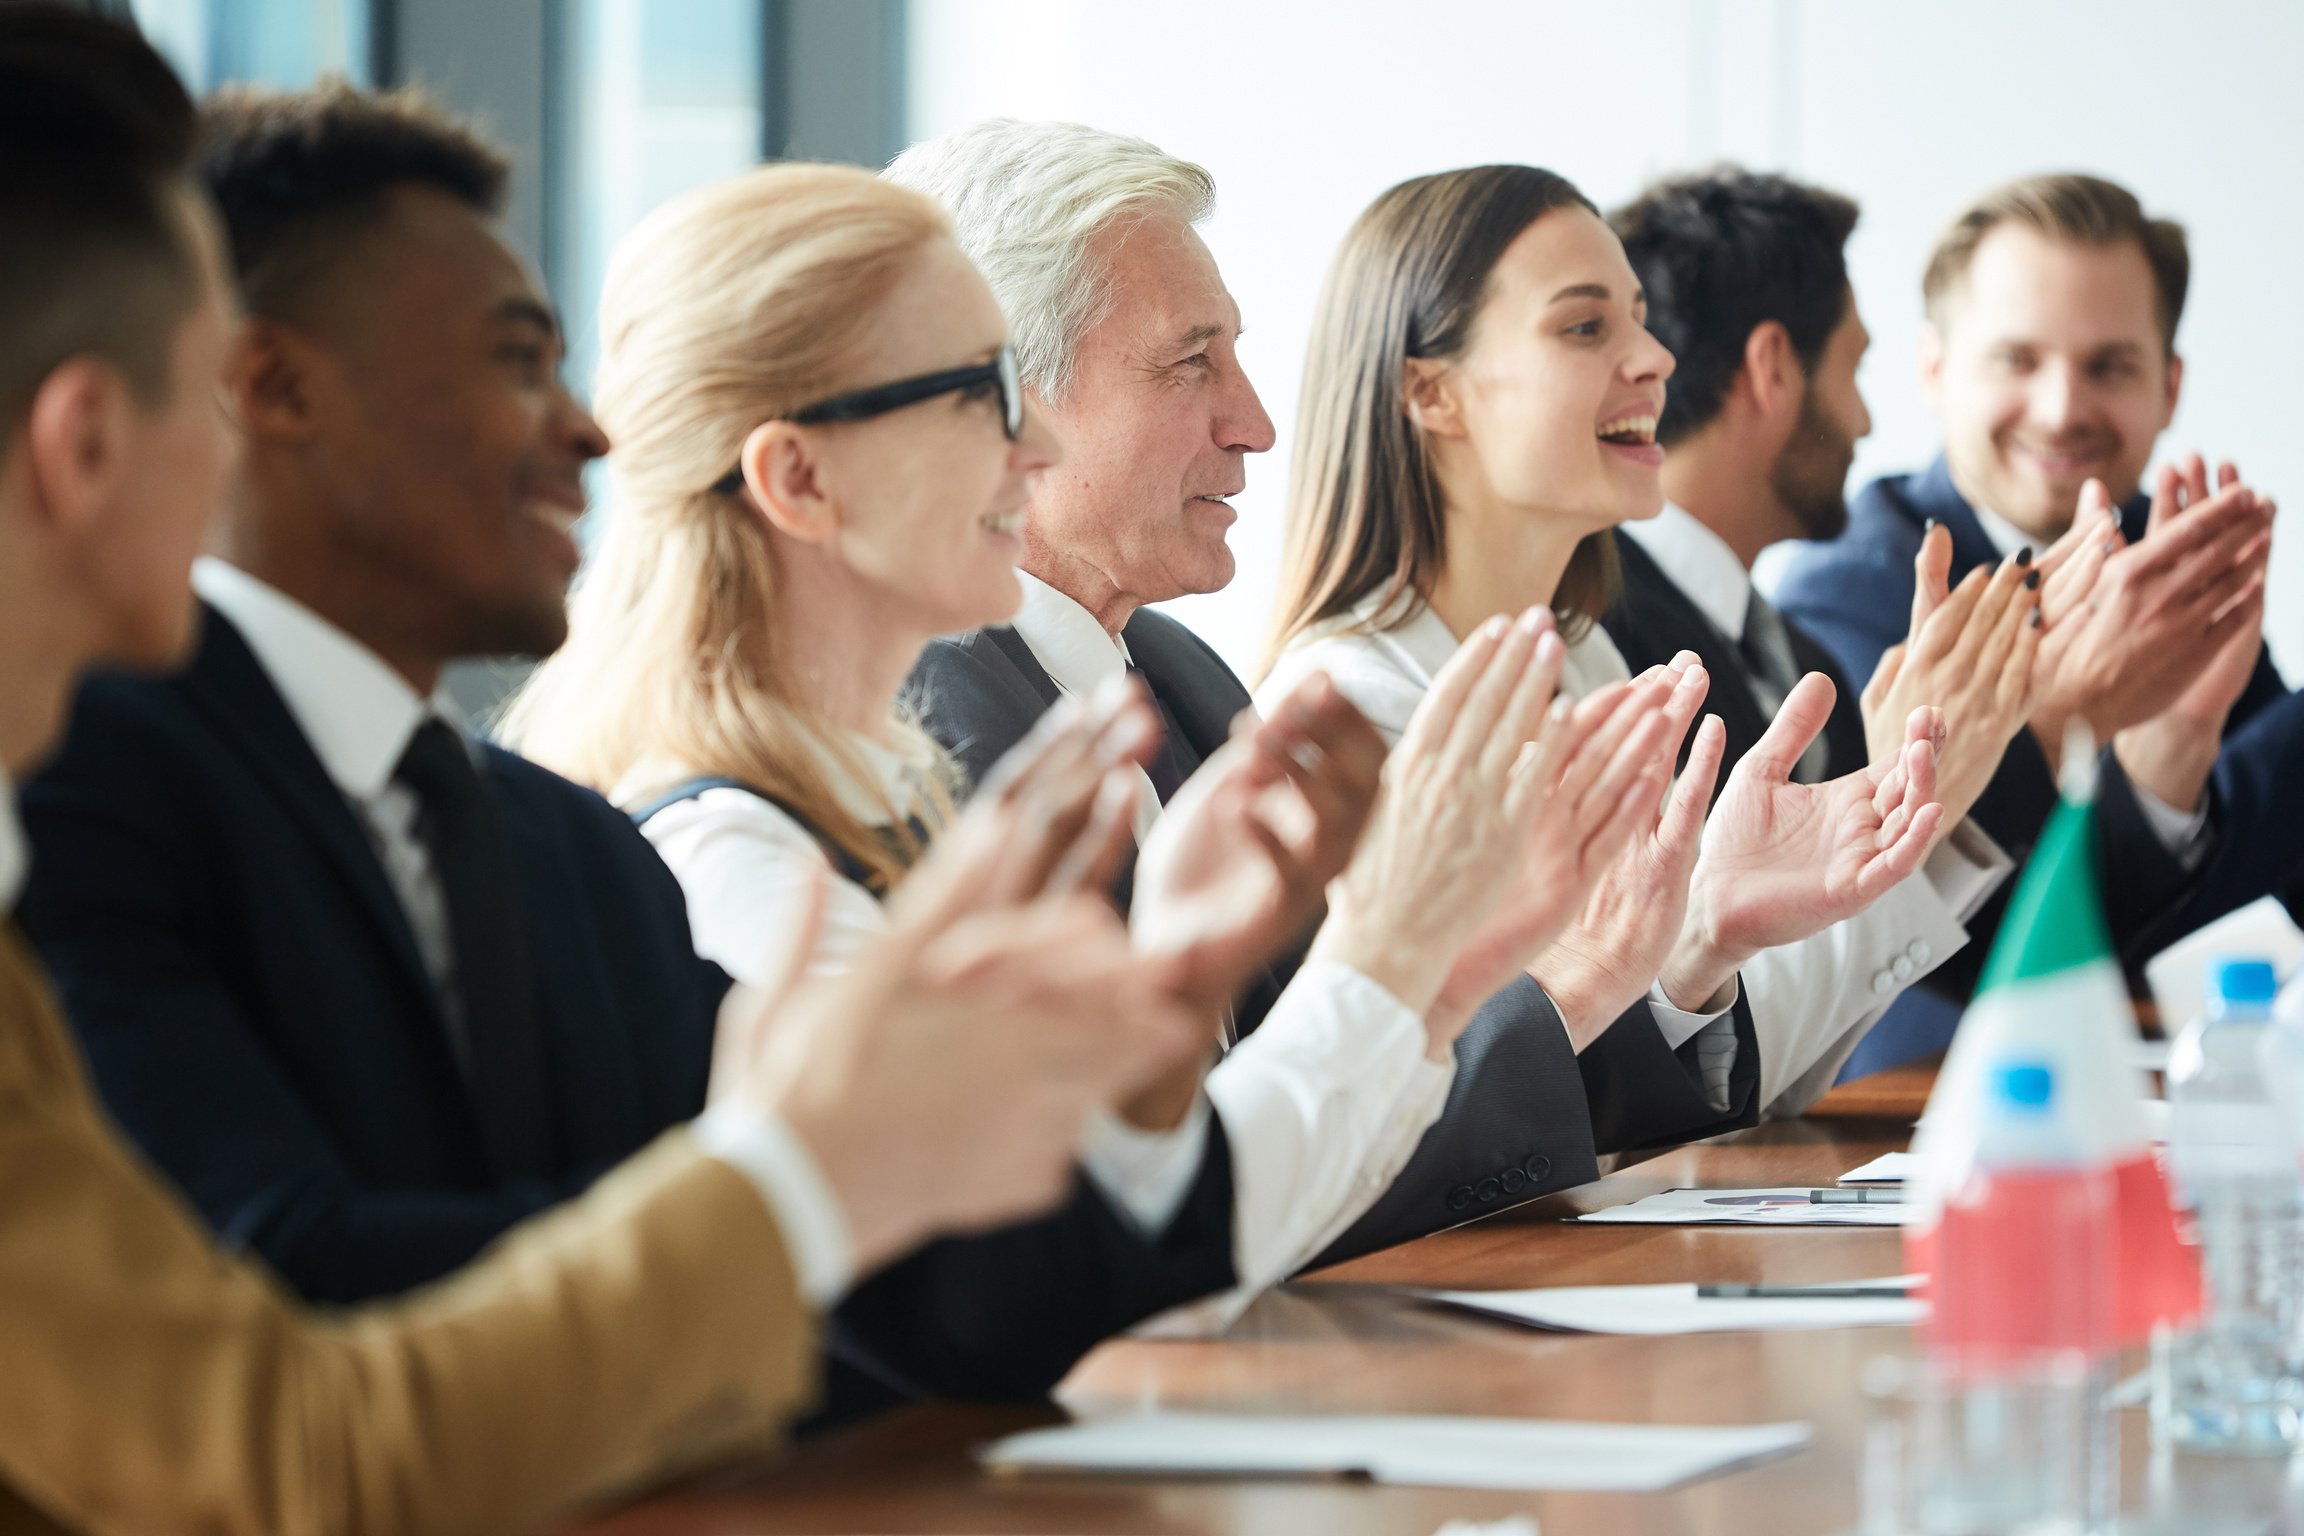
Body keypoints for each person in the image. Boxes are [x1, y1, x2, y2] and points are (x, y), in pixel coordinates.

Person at [0, 10, 1217, 1532]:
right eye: (515, 361)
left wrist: (1144, 1043)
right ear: (260, 392)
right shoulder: (73, 800)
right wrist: (807, 1176)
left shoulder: (568, 852)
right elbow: (298, 1354)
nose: (585, 434)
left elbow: (924, 1305)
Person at [500, 159, 1679, 1303]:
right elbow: (1084, 1269)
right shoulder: (743, 860)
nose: (1036, 450)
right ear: (800, 480)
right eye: (979, 396)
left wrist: (1403, 978)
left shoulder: (1100, 707)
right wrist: (1387, 971)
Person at [889, 121, 1750, 1255]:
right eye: (1192, 362)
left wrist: (1623, 963)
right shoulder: (924, 729)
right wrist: (1564, 974)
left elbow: (1347, 1115)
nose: (1253, 423)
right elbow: (1180, 1189)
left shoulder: (1181, 674)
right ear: (1001, 393)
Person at [1261, 162, 1970, 1115]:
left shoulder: (1594, 663)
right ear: (1432, 393)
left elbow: (1667, 1104)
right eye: (1586, 326)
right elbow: (1424, 1133)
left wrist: (1709, 940)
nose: (1655, 359)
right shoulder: (1352, 707)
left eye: (1639, 319)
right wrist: (1694, 940)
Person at [1770, 172, 2282, 1070]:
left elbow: (2255, 896)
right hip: (1898, 1133)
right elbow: (1921, 938)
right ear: (1933, 372)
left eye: (2109, 366)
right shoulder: (1848, 597)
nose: (2062, 409)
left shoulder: (2185, 571)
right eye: (2016, 359)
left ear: (2169, 388)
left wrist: (2182, 740)